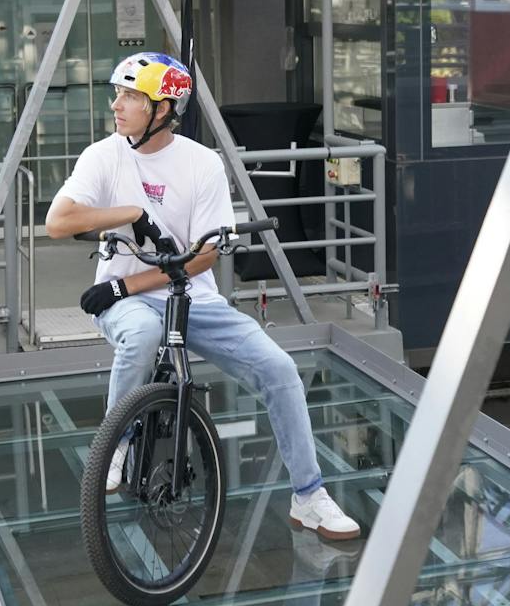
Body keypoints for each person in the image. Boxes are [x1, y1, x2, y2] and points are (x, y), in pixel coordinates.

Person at [46, 51, 361, 541]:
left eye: (131, 96)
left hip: (187, 296)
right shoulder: (102, 156)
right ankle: (118, 443)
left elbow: (201, 258)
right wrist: (130, 212)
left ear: (164, 109)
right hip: (128, 306)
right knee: (145, 331)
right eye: (118, 94)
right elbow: (58, 223)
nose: (117, 105)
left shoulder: (201, 164)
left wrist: (121, 283)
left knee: (279, 371)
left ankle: (309, 496)